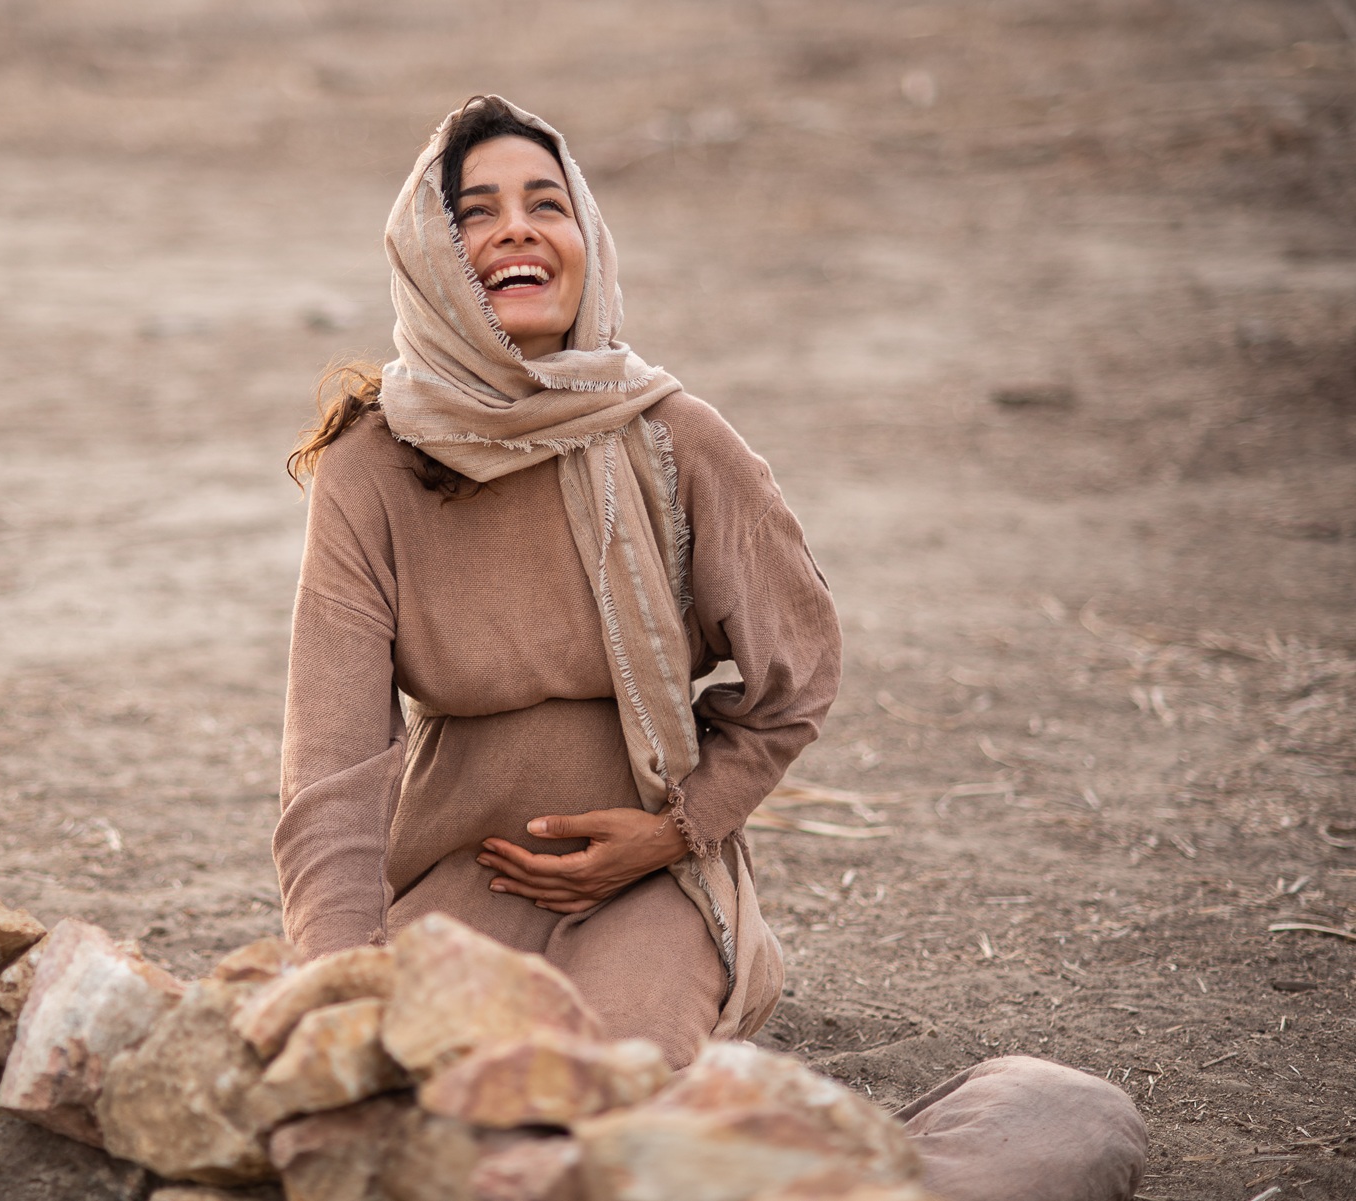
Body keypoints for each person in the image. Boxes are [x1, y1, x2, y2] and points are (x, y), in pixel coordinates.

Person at [275, 96, 1146, 1201]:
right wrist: (336, 984)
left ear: (588, 238)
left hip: (648, 894)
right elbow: (333, 770)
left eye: (549, 204)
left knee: (614, 1126)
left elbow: (796, 675)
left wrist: (673, 831)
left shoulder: (674, 437)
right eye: (475, 212)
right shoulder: (371, 467)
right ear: (429, 258)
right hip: (457, 885)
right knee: (415, 1133)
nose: (517, 230)